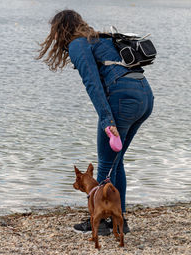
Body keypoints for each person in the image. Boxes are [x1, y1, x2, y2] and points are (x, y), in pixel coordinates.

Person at [36, 10, 154, 234]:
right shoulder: (100, 38)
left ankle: (99, 223)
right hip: (145, 98)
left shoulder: (78, 44)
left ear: (60, 32)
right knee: (115, 162)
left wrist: (107, 120)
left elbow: (93, 84)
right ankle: (119, 221)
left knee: (106, 163)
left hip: (123, 100)